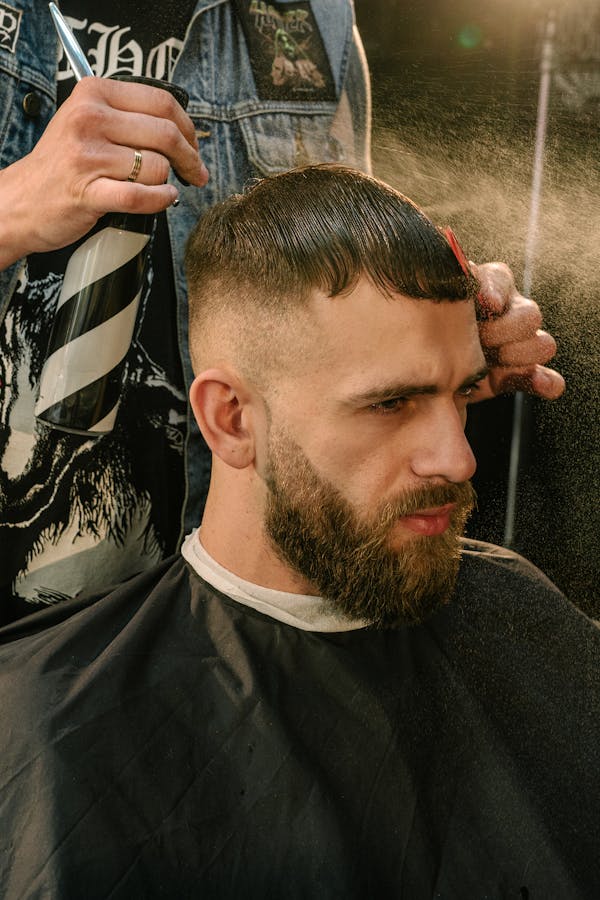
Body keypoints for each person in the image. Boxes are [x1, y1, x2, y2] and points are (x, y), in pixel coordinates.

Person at [0, 165, 597, 898]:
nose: (459, 459)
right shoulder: (54, 734)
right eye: (391, 404)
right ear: (232, 419)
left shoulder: (521, 617)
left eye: (463, 393)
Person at [0, 0, 563, 623]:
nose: (459, 462)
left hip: (230, 591)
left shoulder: (315, 18)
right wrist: (10, 210)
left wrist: (433, 346)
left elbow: (343, 268)